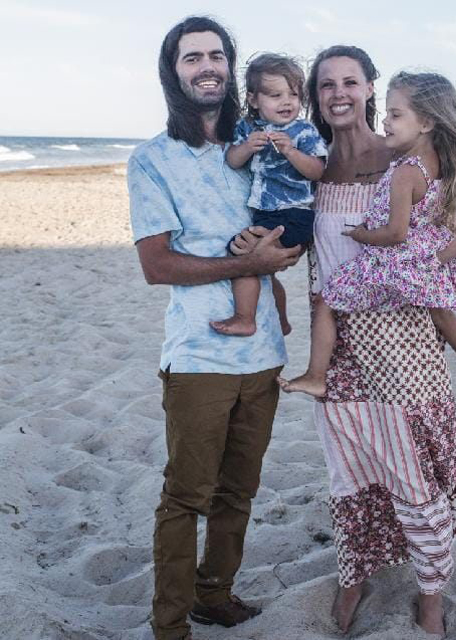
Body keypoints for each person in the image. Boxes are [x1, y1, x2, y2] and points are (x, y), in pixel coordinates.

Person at [233, 46, 456, 638]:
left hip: (401, 342)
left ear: (370, 87)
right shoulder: (308, 166)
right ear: (315, 97)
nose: (338, 93)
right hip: (334, 345)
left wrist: (415, 283)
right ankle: (355, 573)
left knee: (413, 472)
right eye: (325, 85)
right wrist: (254, 249)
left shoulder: (403, 160)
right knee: (349, 470)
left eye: (350, 81)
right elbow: (301, 246)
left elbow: (455, 234)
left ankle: (430, 593)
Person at [127, 16, 299, 640]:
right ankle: (171, 624)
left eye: (216, 55)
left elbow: (290, 216)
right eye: (191, 57)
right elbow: (156, 265)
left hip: (265, 351)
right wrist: (247, 265)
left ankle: (214, 594)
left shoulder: (262, 142)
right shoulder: (152, 159)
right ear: (173, 72)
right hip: (199, 352)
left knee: (240, 490)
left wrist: (276, 267)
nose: (206, 66)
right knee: (186, 496)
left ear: (232, 66)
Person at [279, 71, 456, 398]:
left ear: (426, 123)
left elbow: (394, 232)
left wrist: (364, 235)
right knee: (441, 312)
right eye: (386, 113)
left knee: (326, 300)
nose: (386, 121)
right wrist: (431, 261)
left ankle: (315, 375)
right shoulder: (439, 166)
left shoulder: (405, 171)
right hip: (420, 261)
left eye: (395, 114)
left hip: (391, 262)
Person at [211, 53, 327, 337]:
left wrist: (291, 152)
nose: (287, 101)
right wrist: (247, 147)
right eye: (275, 95)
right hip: (264, 211)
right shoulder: (247, 128)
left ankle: (245, 317)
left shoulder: (303, 131)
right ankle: (281, 320)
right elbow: (233, 161)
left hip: (296, 213)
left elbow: (317, 171)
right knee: (263, 268)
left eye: (293, 94)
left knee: (244, 255)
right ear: (253, 100)